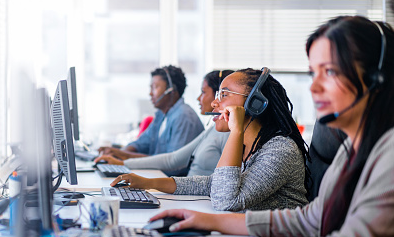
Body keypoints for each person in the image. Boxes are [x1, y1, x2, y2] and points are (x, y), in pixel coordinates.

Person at [133, 16, 394, 237]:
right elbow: (311, 220)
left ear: (377, 79)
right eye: (312, 73)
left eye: (329, 72)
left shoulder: (383, 156)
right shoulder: (350, 150)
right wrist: (206, 220)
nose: (313, 87)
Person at [110, 68, 309, 212]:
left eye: (223, 95)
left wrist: (236, 131)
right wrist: (147, 183)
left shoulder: (280, 150)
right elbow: (210, 185)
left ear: (254, 103)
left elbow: (225, 200)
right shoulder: (257, 147)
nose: (214, 103)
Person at [95, 70, 232, 177]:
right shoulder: (162, 115)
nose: (150, 93)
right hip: (181, 189)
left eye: (155, 87)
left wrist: (123, 159)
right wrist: (121, 157)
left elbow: (176, 167)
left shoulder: (185, 117)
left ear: (170, 90)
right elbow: (165, 155)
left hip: (183, 190)